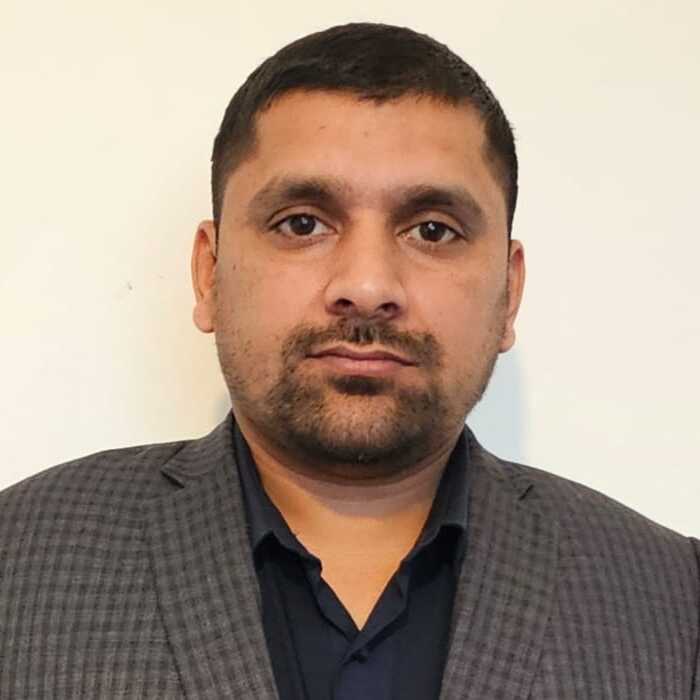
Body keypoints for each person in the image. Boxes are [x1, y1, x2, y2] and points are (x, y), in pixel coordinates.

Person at [1, 21, 698, 700]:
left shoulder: (675, 599)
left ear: (508, 293)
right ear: (209, 274)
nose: (366, 286)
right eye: (302, 223)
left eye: (433, 230)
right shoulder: (18, 559)